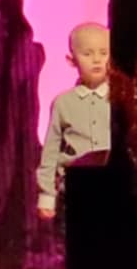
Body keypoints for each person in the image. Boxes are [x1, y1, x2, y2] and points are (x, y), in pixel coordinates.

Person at [34, 22, 113, 235]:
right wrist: (47, 195)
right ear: (72, 60)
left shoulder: (119, 99)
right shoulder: (63, 103)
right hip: (75, 189)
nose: (96, 60)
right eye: (87, 53)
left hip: (113, 186)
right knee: (79, 242)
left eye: (103, 53)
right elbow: (51, 152)